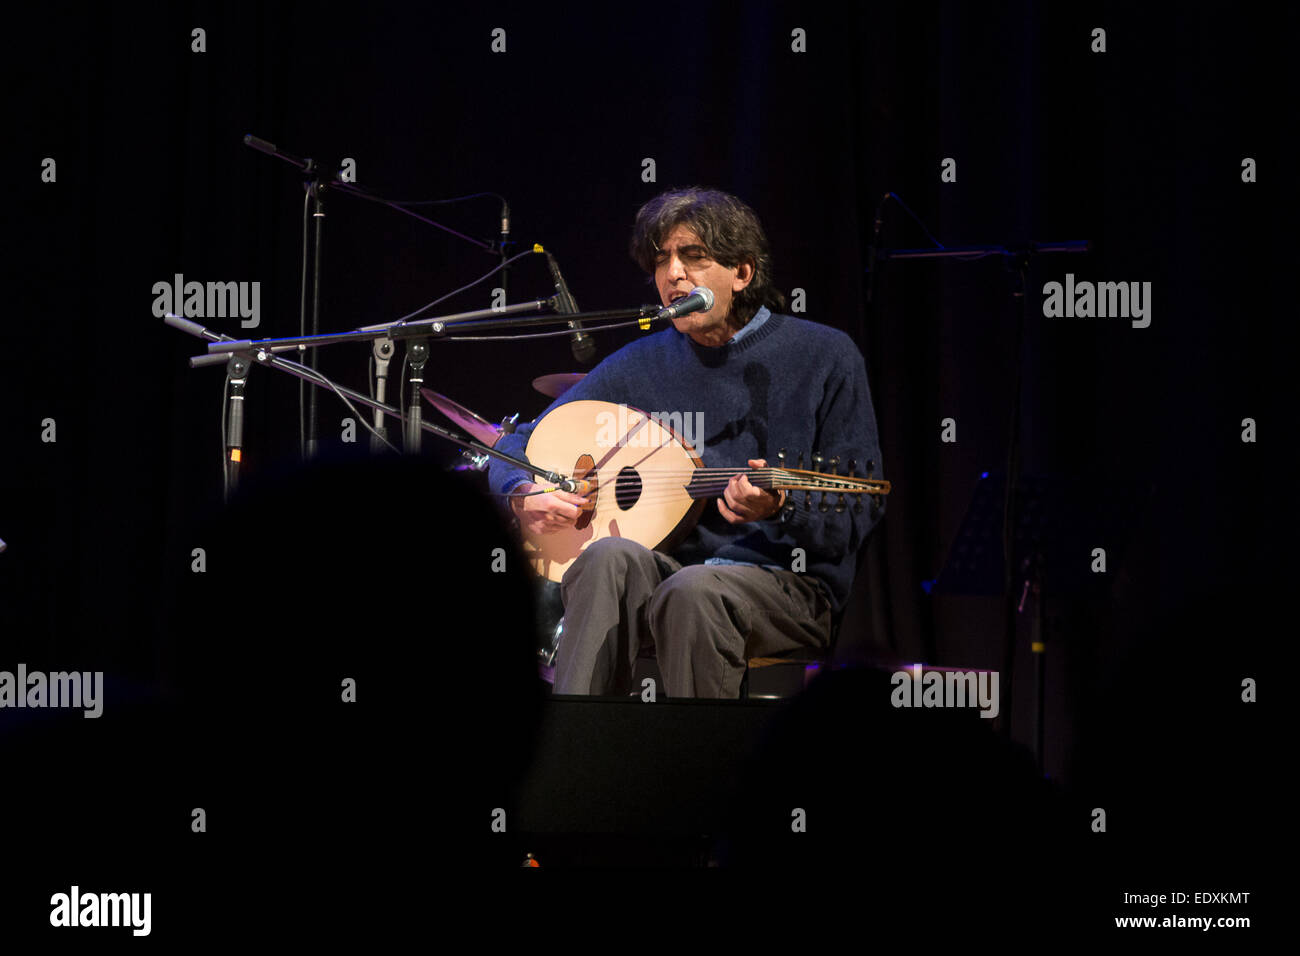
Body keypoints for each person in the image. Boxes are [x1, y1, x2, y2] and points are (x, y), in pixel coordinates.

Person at [488, 187, 884, 697]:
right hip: (674, 572)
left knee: (691, 591)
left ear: (742, 273)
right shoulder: (642, 362)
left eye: (693, 257)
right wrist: (523, 492)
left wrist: (779, 509)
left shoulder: (824, 356)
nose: (673, 273)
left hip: (790, 587)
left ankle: (695, 772)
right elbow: (518, 442)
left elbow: (860, 508)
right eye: (661, 260)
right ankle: (575, 752)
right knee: (606, 557)